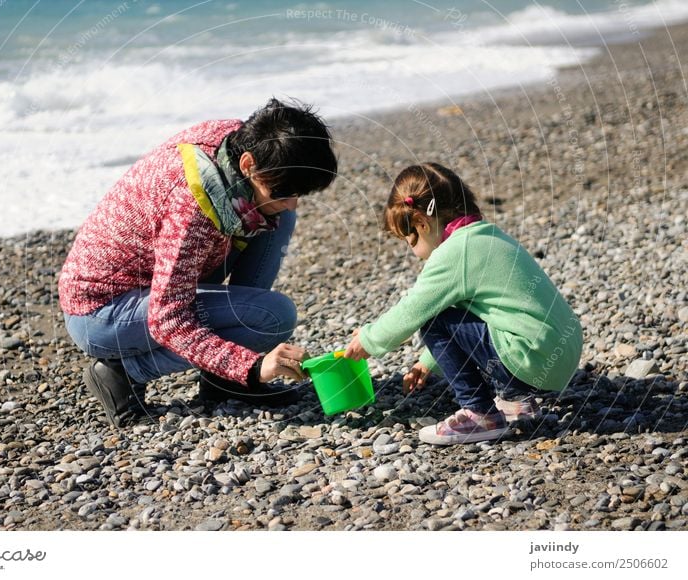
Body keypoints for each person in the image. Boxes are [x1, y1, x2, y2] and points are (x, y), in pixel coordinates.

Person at [59, 98, 337, 427]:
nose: (292, 203)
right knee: (273, 316)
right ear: (247, 164)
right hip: (102, 314)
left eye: (298, 193)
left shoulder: (242, 140)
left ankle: (222, 381)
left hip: (156, 280)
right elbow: (169, 319)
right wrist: (251, 367)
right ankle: (122, 372)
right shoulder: (192, 207)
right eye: (283, 191)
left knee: (278, 220)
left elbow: (276, 204)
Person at [344, 163, 583, 445]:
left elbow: (413, 310)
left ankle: (480, 414)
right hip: (561, 354)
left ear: (422, 222)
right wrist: (427, 362)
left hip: (531, 361)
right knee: (459, 312)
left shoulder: (453, 253)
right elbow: (472, 314)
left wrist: (369, 339)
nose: (412, 250)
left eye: (409, 240)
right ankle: (516, 399)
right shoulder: (488, 235)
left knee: (432, 320)